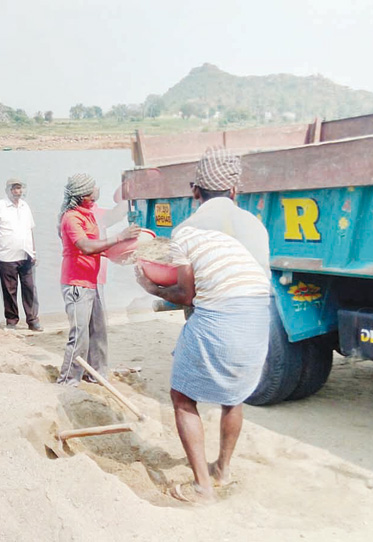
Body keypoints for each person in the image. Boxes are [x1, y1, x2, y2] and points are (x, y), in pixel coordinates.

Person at [134, 147, 271, 503]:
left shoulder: (187, 231)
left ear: (195, 191)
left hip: (220, 316)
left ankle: (201, 488)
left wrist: (148, 285)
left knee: (182, 397)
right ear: (235, 191)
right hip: (259, 316)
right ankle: (223, 470)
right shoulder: (256, 226)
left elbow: (186, 295)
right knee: (234, 396)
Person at [56, 173, 140, 385]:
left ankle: (95, 374)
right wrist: (119, 237)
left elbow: (111, 220)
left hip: (92, 281)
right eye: (92, 189)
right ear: (82, 194)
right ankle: (67, 379)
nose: (96, 192)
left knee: (99, 331)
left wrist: (129, 195)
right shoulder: (71, 218)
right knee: (80, 335)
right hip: (76, 283)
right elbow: (85, 246)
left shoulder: (90, 214)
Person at [0, 178, 41, 331]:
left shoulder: (25, 206)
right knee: (9, 291)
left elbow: (30, 231)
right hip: (5, 256)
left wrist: (34, 252)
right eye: (14, 188)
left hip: (26, 255)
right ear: (8, 190)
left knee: (30, 288)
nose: (18, 191)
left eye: (20, 188)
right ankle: (11, 321)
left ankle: (33, 320)